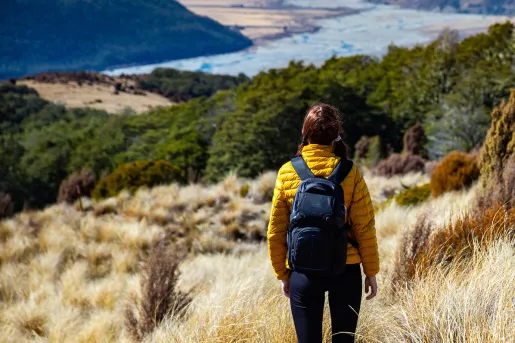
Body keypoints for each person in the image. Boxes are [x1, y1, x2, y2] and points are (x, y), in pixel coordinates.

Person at [267, 103, 379, 343]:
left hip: (303, 272)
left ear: (305, 134)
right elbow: (364, 228)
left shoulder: (287, 173)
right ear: (336, 136)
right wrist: (370, 272)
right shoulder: (351, 173)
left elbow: (276, 231)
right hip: (345, 269)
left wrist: (283, 274)